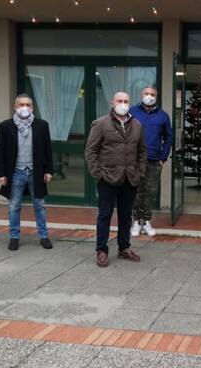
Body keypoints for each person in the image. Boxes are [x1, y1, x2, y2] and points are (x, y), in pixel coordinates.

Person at [85, 92, 147, 268]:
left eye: (126, 101)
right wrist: (98, 174)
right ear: (112, 103)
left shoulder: (137, 125)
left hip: (130, 179)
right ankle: (102, 250)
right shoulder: (101, 124)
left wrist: (140, 172)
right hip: (107, 179)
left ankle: (124, 247)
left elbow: (142, 151)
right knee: (104, 215)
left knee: (126, 216)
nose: (123, 104)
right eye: (120, 101)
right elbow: (90, 151)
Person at [0, 94, 54, 251]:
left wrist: (49, 170)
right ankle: (14, 237)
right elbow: (0, 151)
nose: (24, 107)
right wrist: (0, 173)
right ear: (15, 107)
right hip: (16, 172)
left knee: (39, 205)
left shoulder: (42, 125)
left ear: (32, 107)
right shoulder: (5, 126)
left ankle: (44, 236)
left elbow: (48, 149)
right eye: (21, 104)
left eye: (28, 104)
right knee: (14, 206)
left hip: (36, 172)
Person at [129, 86, 173, 237]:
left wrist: (163, 157)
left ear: (157, 96)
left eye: (153, 94)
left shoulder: (163, 116)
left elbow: (169, 137)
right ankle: (136, 221)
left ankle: (146, 221)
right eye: (147, 94)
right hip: (134, 160)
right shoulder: (132, 112)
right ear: (141, 95)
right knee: (135, 191)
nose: (150, 96)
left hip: (154, 160)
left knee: (150, 192)